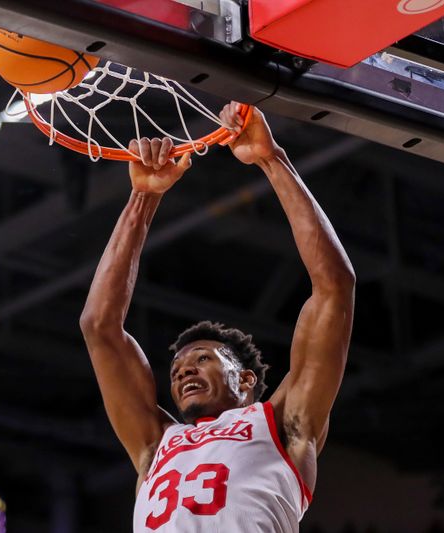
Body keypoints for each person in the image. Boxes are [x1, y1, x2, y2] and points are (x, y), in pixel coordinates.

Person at [79, 103, 355, 532]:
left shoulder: (283, 423)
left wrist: (271, 158)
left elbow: (334, 287)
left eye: (203, 358)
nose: (184, 369)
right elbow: (99, 326)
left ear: (245, 379)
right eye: (176, 369)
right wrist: (143, 197)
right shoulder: (156, 444)